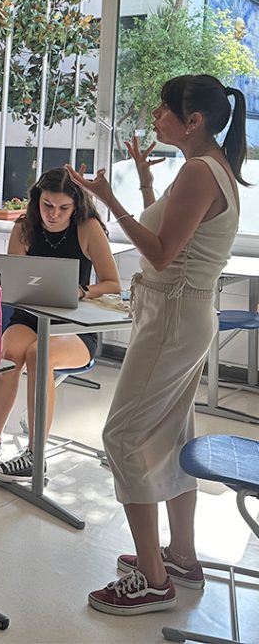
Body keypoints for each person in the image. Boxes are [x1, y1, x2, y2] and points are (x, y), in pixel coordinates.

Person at [67, 75, 245, 616]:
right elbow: (171, 236)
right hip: (183, 313)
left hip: (173, 315)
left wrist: (108, 202)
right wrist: (144, 185)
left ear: (193, 121)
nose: (155, 116)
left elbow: (162, 253)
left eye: (164, 109)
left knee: (122, 436)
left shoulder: (198, 171)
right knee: (170, 435)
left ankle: (152, 578)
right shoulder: (210, 167)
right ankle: (181, 558)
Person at [0, 167, 120, 484]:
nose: (53, 214)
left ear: (76, 206)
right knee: (10, 354)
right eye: (47, 205)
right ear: (37, 199)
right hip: (29, 318)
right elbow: (13, 282)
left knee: (40, 355)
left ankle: (35, 455)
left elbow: (112, 283)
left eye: (63, 208)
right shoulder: (24, 227)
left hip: (75, 327)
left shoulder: (88, 228)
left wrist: (83, 291)